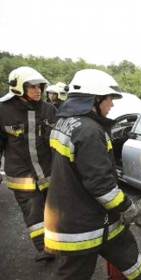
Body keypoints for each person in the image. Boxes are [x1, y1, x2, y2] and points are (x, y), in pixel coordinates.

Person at [44, 69, 141, 279]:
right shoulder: (90, 131)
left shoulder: (65, 121)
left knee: (122, 245)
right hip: (81, 221)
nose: (112, 104)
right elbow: (101, 185)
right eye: (109, 98)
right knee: (75, 271)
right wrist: (127, 207)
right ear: (95, 98)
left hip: (89, 211)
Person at [0, 66, 57, 262]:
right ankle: (44, 248)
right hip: (22, 175)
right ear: (18, 87)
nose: (38, 90)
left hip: (49, 172)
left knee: (56, 210)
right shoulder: (3, 110)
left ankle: (60, 243)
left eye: (39, 86)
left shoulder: (49, 109)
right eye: (31, 86)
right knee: (33, 212)